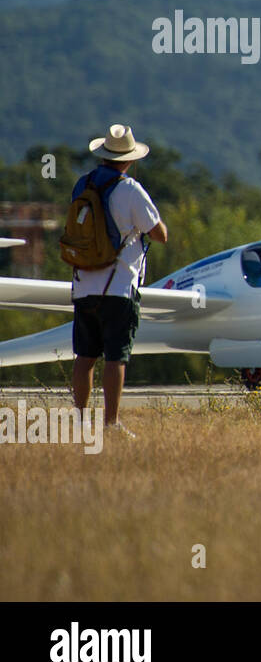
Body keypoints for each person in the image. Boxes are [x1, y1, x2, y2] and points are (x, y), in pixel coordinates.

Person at [70, 125, 168, 437]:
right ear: (129, 159)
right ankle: (111, 423)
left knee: (84, 357)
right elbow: (159, 234)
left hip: (83, 282)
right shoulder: (130, 190)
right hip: (119, 285)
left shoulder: (81, 185)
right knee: (116, 357)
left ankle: (79, 421)